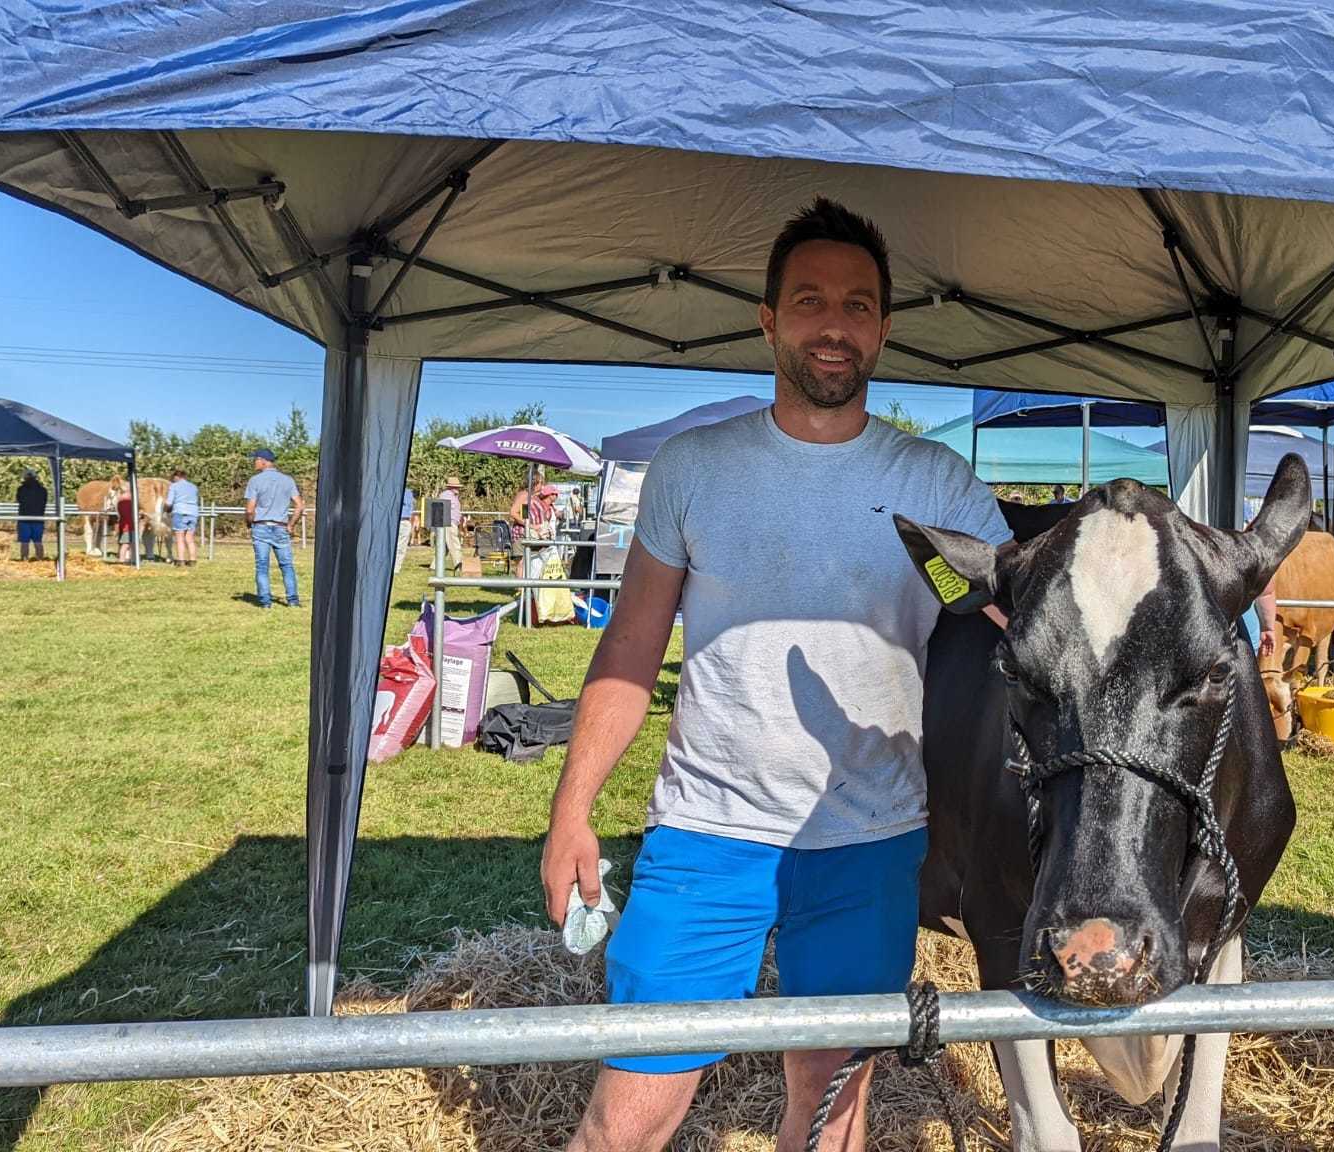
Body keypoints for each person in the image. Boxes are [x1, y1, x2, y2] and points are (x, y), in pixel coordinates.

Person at [541, 198, 1011, 1152]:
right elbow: (629, 647)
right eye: (808, 301)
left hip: (870, 841)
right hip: (705, 837)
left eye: (857, 305)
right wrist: (572, 809)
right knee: (629, 1113)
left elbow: (1028, 619)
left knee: (831, 1106)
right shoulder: (693, 470)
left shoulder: (941, 485)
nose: (833, 326)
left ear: (882, 327)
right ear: (767, 318)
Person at [243, 448, 303, 608]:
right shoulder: (288, 480)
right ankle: (293, 600)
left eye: (255, 459)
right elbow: (299, 506)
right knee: (287, 565)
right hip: (281, 527)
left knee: (262, 565)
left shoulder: (255, 481)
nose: (254, 462)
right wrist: (291, 525)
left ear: (263, 460)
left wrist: (249, 522)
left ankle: (265, 602)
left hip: (261, 526)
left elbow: (250, 509)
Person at [165, 468, 201, 567]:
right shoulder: (193, 487)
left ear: (176, 477)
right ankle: (193, 560)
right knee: (190, 538)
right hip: (193, 513)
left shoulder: (174, 486)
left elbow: (169, 502)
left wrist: (166, 509)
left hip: (180, 512)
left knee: (179, 537)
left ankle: (181, 560)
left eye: (174, 477)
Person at [15, 468, 49, 561]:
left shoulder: (21, 489)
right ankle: (40, 560)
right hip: (38, 518)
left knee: (24, 542)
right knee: (38, 541)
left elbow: (18, 500)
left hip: (24, 518)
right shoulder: (43, 490)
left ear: (25, 478)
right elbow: (44, 501)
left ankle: (24, 560)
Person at [433, 475, 466, 567]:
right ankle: (458, 563)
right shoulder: (446, 495)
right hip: (448, 523)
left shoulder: (452, 496)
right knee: (454, 544)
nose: (458, 489)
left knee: (444, 547)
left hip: (450, 523)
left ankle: (434, 566)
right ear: (451, 487)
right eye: (456, 487)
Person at [396, 484, 418, 575]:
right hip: (402, 521)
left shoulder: (407, 492)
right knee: (400, 546)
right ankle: (396, 567)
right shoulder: (408, 493)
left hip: (404, 521)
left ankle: (396, 568)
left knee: (401, 546)